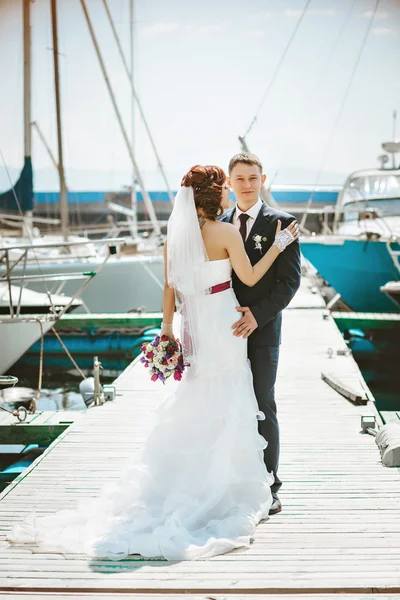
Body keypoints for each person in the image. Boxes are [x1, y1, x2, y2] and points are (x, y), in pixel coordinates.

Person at [8, 165, 298, 561]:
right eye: (227, 189)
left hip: (193, 323)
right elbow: (248, 273)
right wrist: (278, 246)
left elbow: (169, 286)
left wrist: (167, 330)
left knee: (198, 393)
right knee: (232, 394)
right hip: (224, 320)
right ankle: (227, 482)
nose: (233, 193)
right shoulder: (227, 232)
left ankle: (190, 479)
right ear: (216, 196)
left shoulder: (175, 236)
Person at [221, 152, 301, 515]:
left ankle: (271, 485)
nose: (248, 185)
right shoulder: (218, 222)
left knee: (262, 406)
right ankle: (229, 480)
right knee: (227, 405)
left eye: (253, 178)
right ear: (229, 180)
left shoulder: (282, 224)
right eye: (240, 179)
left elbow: (289, 282)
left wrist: (258, 315)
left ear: (262, 179)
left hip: (263, 331)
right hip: (222, 333)